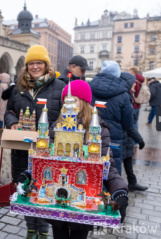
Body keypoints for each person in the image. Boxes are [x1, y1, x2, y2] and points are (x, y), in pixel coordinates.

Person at [46, 80, 128, 239]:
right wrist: (29, 174)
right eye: (66, 102)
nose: (69, 105)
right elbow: (44, 158)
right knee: (59, 234)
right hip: (58, 199)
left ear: (84, 102)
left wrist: (119, 190)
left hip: (84, 199)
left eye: (74, 100)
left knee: (79, 235)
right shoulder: (57, 126)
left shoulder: (98, 129)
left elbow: (107, 165)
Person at [5, 45, 65, 239]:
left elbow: (66, 116)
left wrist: (51, 132)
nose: (35, 66)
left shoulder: (59, 86)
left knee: (45, 188)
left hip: (48, 150)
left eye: (39, 62)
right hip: (22, 150)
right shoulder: (19, 87)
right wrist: (12, 122)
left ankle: (44, 231)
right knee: (24, 189)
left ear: (46, 64)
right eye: (31, 63)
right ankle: (31, 229)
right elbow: (8, 111)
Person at [90, 61, 134, 175]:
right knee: (112, 169)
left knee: (90, 167)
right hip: (113, 139)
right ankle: (112, 192)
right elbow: (128, 123)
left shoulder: (89, 88)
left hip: (91, 136)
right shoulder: (123, 94)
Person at [128, 66, 144, 131]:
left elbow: (132, 92)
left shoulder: (134, 80)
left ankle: (134, 140)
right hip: (138, 103)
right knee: (136, 121)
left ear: (132, 71)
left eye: (130, 71)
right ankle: (135, 139)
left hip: (133, 103)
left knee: (133, 122)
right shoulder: (140, 80)